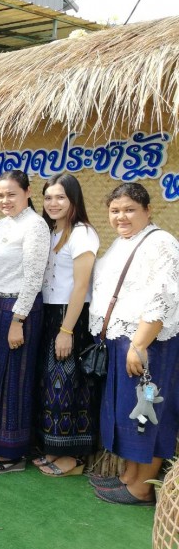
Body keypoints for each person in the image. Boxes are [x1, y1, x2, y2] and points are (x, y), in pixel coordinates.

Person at [88, 182, 179, 506]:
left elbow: (163, 297)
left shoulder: (161, 243)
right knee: (130, 412)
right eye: (115, 211)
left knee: (149, 413)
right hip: (122, 341)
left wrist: (139, 344)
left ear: (147, 210)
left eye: (129, 210)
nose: (121, 217)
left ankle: (143, 487)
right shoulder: (123, 243)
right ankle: (129, 476)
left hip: (148, 344)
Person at [0, 170, 50, 473]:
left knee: (14, 381)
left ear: (28, 192)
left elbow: (34, 277)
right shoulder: (2, 223)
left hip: (18, 310)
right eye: (0, 195)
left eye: (11, 194)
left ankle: (13, 452)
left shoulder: (35, 226)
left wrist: (18, 319)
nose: (5, 200)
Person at [35, 173, 99, 477]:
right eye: (48, 197)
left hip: (71, 316)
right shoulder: (51, 231)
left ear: (73, 199)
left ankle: (72, 456)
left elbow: (80, 285)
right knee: (50, 384)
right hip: (50, 312)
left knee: (68, 385)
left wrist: (66, 330)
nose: (53, 203)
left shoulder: (82, 233)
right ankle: (52, 448)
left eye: (60, 197)